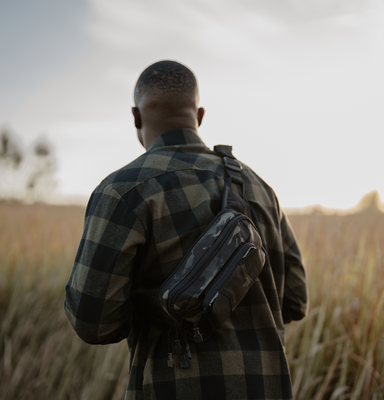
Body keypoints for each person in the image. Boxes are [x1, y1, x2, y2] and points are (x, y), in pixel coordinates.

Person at [64, 60, 308, 399]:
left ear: (136, 117)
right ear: (200, 115)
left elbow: (92, 322)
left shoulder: (124, 191)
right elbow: (295, 301)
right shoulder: (259, 188)